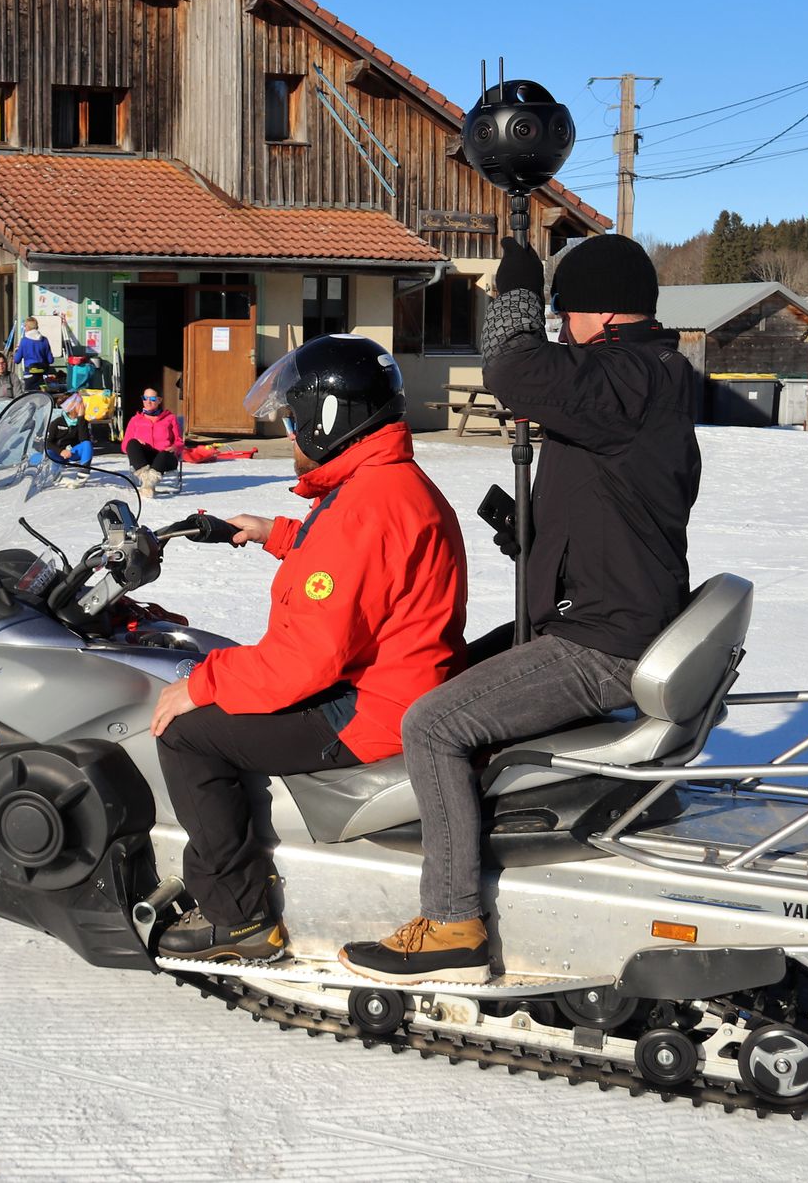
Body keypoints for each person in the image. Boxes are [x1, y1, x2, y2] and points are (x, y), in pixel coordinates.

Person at [341, 234, 701, 985]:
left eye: (566, 313)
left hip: (604, 638)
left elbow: (512, 369)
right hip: (600, 609)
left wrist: (518, 293)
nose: (562, 326)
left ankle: (452, 921)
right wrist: (536, 543)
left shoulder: (629, 374)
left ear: (598, 313)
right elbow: (610, 498)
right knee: (439, 674)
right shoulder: (643, 377)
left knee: (433, 722)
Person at [149, 335, 468, 962]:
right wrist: (280, 534)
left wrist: (202, 684)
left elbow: (306, 660)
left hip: (367, 708)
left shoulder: (366, 507)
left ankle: (236, 917)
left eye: (295, 419)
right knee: (229, 692)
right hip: (398, 680)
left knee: (186, 733)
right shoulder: (384, 482)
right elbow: (364, 572)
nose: (289, 433)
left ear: (331, 421)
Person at [121, 388, 184, 499]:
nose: (148, 402)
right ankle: (147, 481)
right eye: (145, 398)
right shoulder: (135, 420)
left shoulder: (170, 418)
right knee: (132, 443)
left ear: (159, 400)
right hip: (145, 458)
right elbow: (125, 446)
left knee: (164, 454)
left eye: (153, 399)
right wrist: (137, 442)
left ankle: (147, 484)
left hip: (165, 457)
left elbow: (179, 441)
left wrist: (174, 447)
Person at [47, 393, 93, 468]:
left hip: (73, 453)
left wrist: (81, 417)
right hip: (58, 453)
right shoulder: (57, 422)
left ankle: (84, 470)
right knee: (49, 452)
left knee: (87, 444)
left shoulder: (83, 422)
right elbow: (48, 443)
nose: (82, 405)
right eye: (79, 403)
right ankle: (55, 471)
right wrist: (61, 451)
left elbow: (84, 440)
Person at [14, 321, 54, 387]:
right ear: (37, 327)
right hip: (43, 376)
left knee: (30, 396)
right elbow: (51, 360)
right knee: (42, 396)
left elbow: (17, 360)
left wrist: (17, 351)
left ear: (27, 328)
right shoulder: (44, 340)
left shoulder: (24, 341)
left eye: (25, 326)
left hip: (29, 375)